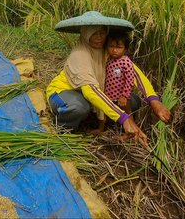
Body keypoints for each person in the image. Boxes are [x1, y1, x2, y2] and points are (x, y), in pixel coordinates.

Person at [46, 15, 171, 146]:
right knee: (78, 107)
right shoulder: (79, 55)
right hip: (63, 92)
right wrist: (124, 118)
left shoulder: (107, 50)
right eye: (94, 34)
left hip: (92, 93)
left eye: (102, 32)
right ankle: (63, 131)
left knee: (133, 101)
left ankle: (95, 117)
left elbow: (134, 73)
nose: (99, 37)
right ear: (85, 34)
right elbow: (91, 91)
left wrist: (154, 101)